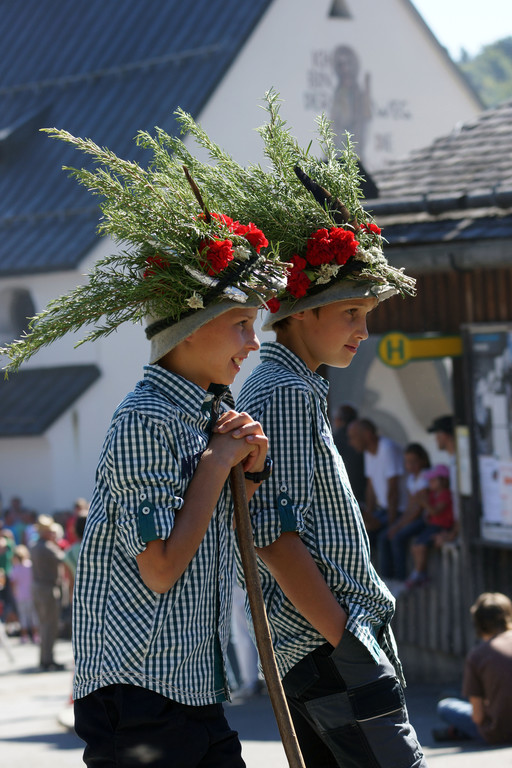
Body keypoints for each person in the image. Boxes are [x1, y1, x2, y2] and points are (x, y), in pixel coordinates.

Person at [0, 110, 286, 767]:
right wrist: (217, 466)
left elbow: (220, 521)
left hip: (188, 677)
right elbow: (158, 570)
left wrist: (250, 470)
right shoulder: (145, 419)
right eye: (240, 323)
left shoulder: (208, 409)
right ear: (189, 330)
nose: (253, 341)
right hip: (138, 685)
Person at [236, 97, 426, 767]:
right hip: (328, 650)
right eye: (349, 310)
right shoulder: (283, 390)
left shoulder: (293, 385)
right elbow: (271, 534)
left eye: (366, 311)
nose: (362, 329)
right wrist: (346, 638)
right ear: (300, 313)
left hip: (328, 648)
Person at [435, 592, 512, 744]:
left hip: (499, 733)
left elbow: (478, 717)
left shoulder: (477, 655)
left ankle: (459, 730)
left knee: (445, 706)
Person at [347, 418, 408, 580]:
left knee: (384, 537)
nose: (351, 442)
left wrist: (391, 522)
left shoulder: (387, 449)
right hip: (384, 510)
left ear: (367, 435)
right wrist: (370, 514)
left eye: (353, 436)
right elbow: (371, 486)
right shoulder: (369, 452)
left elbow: (393, 490)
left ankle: (392, 582)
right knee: (361, 534)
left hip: (399, 510)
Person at [386, 443, 431, 583]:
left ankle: (400, 577)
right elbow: (411, 507)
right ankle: (388, 576)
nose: (409, 465)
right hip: (416, 517)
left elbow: (418, 510)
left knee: (398, 537)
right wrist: (397, 524)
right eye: (407, 462)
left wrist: (399, 526)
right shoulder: (412, 479)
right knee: (387, 536)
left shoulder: (426, 477)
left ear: (422, 461)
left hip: (425, 519)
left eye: (413, 462)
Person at [405, 464, 454, 589]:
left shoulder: (445, 494)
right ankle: (420, 573)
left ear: (443, 480)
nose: (430, 483)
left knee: (420, 546)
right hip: (433, 526)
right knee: (415, 546)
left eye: (433, 480)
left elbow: (436, 511)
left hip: (442, 527)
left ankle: (418, 574)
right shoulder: (433, 494)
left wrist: (424, 503)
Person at [29, 515, 65, 670]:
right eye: (50, 531)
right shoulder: (48, 547)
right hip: (48, 588)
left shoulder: (34, 545)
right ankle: (48, 659)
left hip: (37, 587)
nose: (53, 534)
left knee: (43, 624)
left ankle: (44, 658)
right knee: (50, 625)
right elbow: (64, 558)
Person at [427, 414, 460, 543]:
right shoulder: (453, 461)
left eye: (437, 434)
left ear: (445, 435)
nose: (436, 439)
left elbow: (463, 501)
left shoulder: (460, 464)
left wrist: (453, 534)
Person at [332, 403, 366, 505]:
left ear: (338, 420)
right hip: (363, 490)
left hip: (346, 492)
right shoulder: (361, 434)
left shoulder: (334, 439)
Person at [9, 544, 37, 643]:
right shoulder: (30, 565)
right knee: (33, 615)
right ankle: (35, 635)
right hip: (31, 594)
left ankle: (24, 636)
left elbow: (13, 583)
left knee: (23, 616)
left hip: (21, 595)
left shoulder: (16, 568)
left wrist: (15, 592)